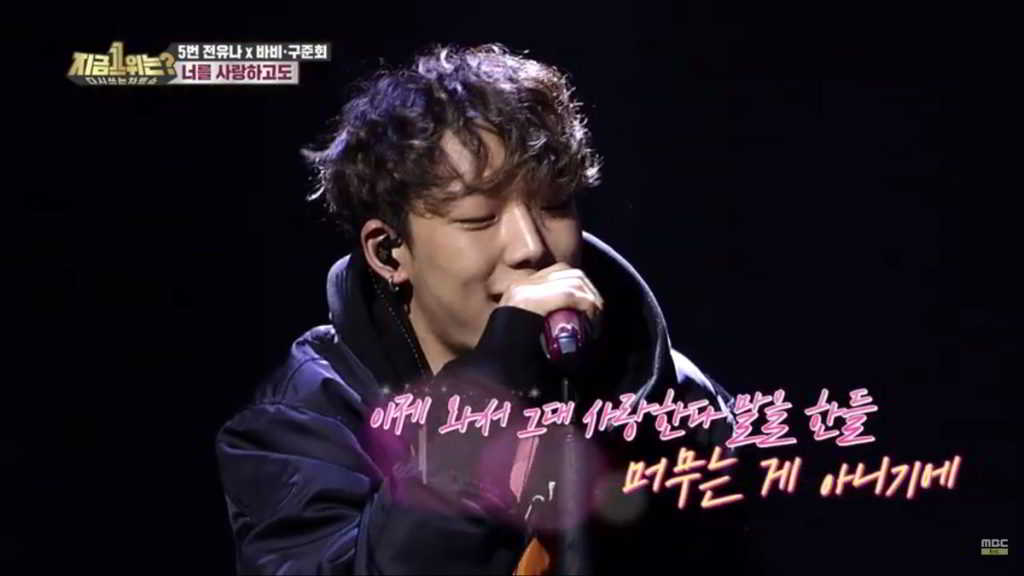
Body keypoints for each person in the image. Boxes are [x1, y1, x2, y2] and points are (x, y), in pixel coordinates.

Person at [216, 43, 740, 575]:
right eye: (479, 219)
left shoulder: (676, 400)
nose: (530, 247)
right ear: (390, 252)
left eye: (554, 205)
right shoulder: (300, 427)